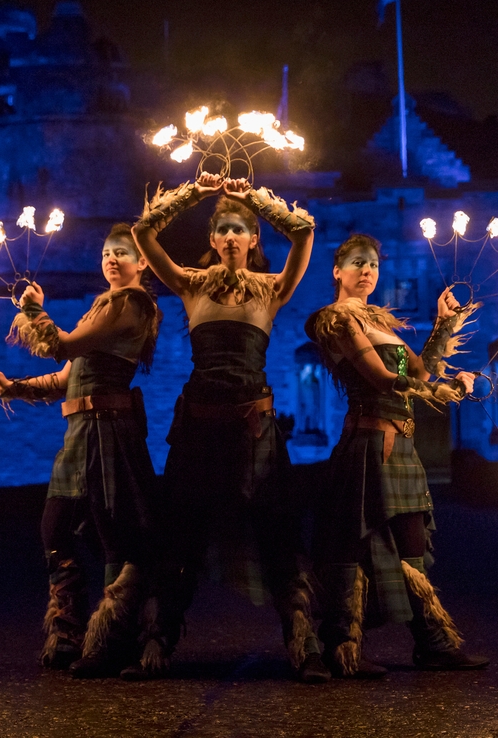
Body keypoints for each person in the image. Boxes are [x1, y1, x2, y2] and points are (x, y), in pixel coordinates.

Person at [131, 173, 329, 683]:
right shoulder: (190, 285)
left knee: (279, 535)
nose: (234, 236)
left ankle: (304, 643)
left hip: (254, 428)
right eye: (225, 230)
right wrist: (196, 192)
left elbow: (304, 233)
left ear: (254, 239)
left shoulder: (272, 289)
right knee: (180, 534)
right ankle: (158, 639)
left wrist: (254, 198)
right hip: (199, 427)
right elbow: (144, 234)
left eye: (243, 229)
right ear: (214, 241)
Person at [305, 233, 489, 676]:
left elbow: (420, 368)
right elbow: (383, 378)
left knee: (410, 548)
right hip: (371, 442)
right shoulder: (334, 319)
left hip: (400, 444)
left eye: (372, 263)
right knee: (357, 544)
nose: (366, 270)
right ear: (337, 270)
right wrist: (441, 390)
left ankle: (430, 642)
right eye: (356, 262)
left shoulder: (379, 324)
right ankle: (343, 645)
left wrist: (443, 325)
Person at [0, 223, 160, 678]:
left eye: (122, 252)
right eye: (105, 251)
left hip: (110, 432)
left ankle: (112, 640)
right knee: (55, 529)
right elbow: (67, 376)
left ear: (142, 262)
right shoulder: (101, 308)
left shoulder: (132, 304)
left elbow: (60, 345)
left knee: (115, 535)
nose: (111, 258)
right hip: (79, 434)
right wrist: (13, 386)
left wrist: (34, 309)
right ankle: (68, 630)